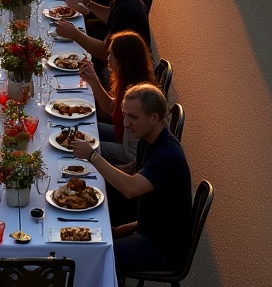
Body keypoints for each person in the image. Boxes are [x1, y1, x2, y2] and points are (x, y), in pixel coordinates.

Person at [70, 83, 192, 281]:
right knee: (84, 230)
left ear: (154, 117)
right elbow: (134, 176)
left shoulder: (168, 154)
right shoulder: (148, 140)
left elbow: (130, 188)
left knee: (96, 257)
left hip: (163, 247)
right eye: (125, 115)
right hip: (148, 228)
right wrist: (130, 226)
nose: (126, 123)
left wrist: (92, 157)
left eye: (133, 117)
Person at [78, 30, 156, 166]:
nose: (107, 58)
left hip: (128, 153)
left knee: (78, 147)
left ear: (123, 61)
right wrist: (92, 79)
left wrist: (91, 152)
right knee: (82, 128)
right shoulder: (128, 78)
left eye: (112, 55)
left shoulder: (138, 94)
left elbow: (132, 153)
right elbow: (112, 108)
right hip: (121, 136)